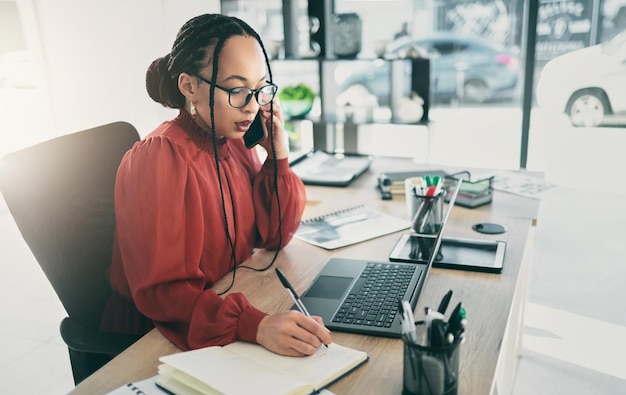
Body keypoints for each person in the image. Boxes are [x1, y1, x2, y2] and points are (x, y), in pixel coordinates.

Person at [100, 13, 332, 357]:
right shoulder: (159, 158)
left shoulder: (233, 141)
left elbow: (273, 235)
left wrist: (278, 158)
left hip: (220, 304)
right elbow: (164, 292)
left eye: (259, 89)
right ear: (189, 87)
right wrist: (255, 324)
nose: (253, 106)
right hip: (157, 336)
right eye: (237, 89)